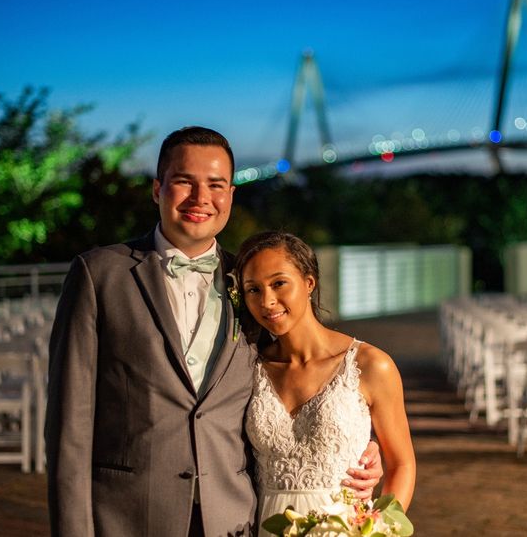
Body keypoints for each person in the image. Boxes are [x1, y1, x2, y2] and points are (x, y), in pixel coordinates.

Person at [45, 126, 382, 537]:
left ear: (231, 195)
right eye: (184, 182)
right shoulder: (99, 275)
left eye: (216, 185)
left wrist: (360, 446)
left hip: (234, 518)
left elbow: (300, 375)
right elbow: (69, 426)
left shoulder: (253, 282)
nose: (201, 198)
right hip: (127, 517)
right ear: (157, 189)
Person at [235, 231, 416, 536]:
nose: (267, 301)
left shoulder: (371, 365)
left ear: (309, 283)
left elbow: (402, 464)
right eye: (253, 289)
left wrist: (379, 529)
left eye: (279, 283)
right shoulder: (246, 367)